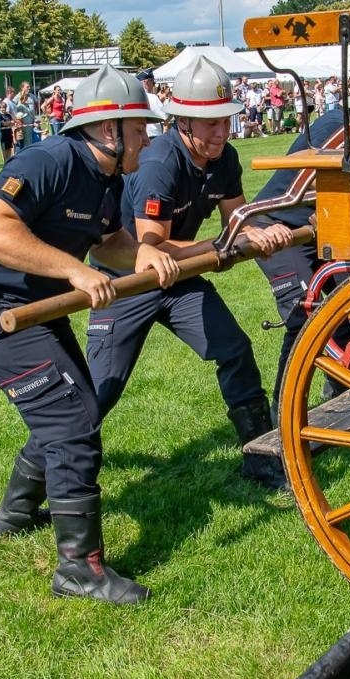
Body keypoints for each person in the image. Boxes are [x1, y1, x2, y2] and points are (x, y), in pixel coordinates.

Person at [0, 65, 178, 605]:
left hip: (37, 310)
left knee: (77, 409)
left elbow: (109, 242)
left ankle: (17, 515)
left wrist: (141, 253)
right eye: (140, 127)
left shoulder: (109, 178)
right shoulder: (46, 160)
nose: (149, 135)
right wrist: (73, 270)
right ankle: (78, 569)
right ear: (107, 131)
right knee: (70, 422)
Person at [85, 56, 295, 489]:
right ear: (183, 120)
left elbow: (236, 218)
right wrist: (223, 246)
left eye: (225, 121)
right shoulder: (160, 162)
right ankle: (31, 490)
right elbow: (150, 247)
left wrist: (264, 228)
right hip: (127, 282)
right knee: (99, 391)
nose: (221, 132)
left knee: (234, 349)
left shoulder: (225, 157)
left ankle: (263, 458)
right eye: (209, 123)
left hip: (179, 279)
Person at [251, 62, 350, 408]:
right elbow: (325, 189)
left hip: (318, 231)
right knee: (306, 318)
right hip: (278, 229)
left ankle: (339, 384)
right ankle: (283, 414)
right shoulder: (337, 131)